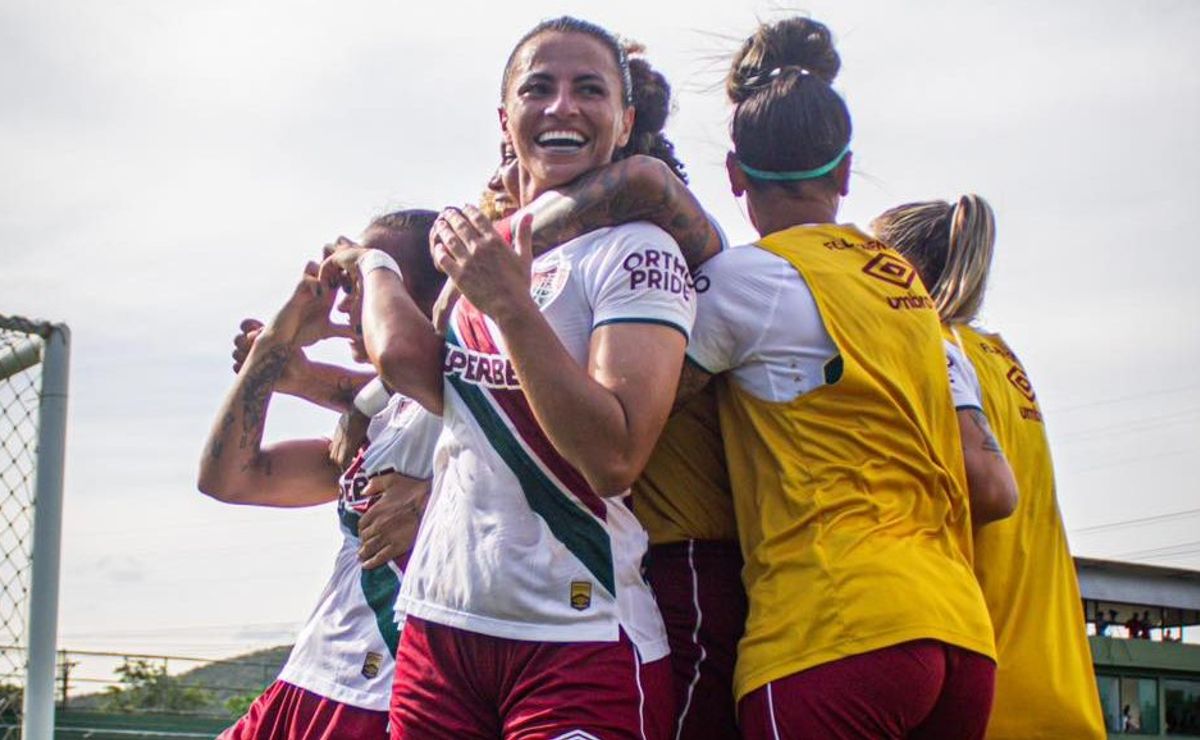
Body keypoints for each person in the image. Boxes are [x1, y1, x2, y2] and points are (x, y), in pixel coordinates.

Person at [322, 17, 694, 739]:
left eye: (590, 90)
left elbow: (613, 458)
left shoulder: (639, 250)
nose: (563, 107)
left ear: (624, 122)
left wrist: (513, 307)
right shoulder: (480, 255)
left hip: (577, 633)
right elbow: (439, 392)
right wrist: (352, 392)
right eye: (539, 89)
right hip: (441, 628)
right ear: (505, 121)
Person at [671, 18, 1003, 738]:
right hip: (959, 633)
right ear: (846, 173)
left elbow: (634, 413)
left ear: (734, 176)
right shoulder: (908, 292)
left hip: (833, 628)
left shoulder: (742, 281)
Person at [198, 210, 444, 739]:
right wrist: (278, 341)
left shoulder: (464, 396)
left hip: (385, 695)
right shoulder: (382, 412)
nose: (352, 298)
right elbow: (233, 479)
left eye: (371, 277)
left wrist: (434, 499)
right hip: (310, 678)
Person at [874, 194, 1107, 738]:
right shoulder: (1002, 359)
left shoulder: (928, 348)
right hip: (1059, 692)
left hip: (984, 699)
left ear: (897, 271)